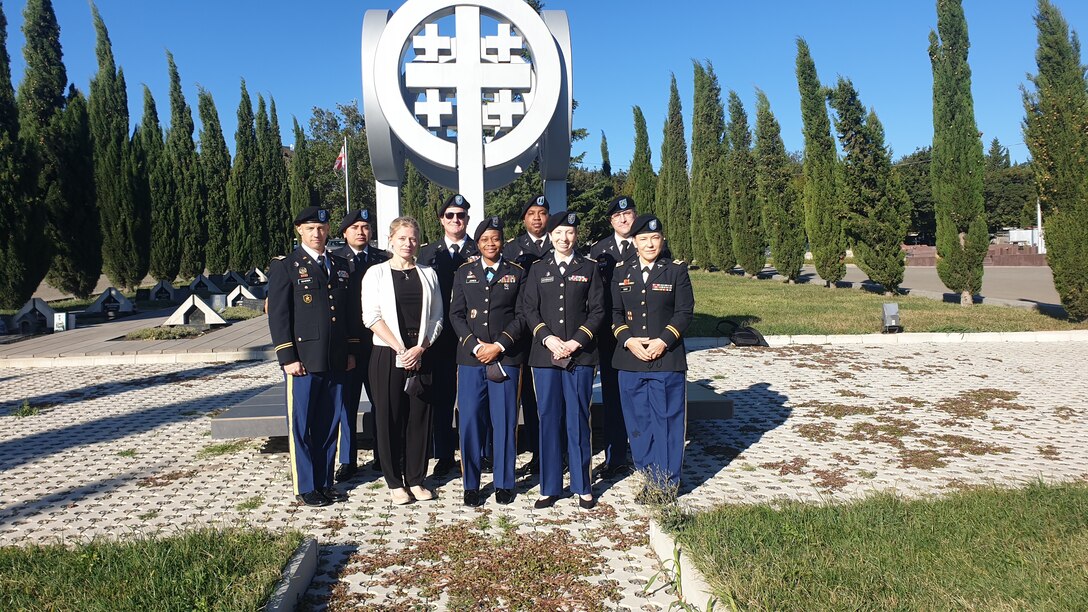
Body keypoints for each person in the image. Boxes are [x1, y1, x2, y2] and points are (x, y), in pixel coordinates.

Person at [267, 206, 359, 507]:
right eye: (310, 229)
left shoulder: (340, 263)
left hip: (334, 358)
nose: (317, 233)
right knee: (303, 426)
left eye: (321, 228)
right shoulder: (287, 266)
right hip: (303, 362)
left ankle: (324, 481)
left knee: (328, 425)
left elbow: (345, 313)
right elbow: (279, 316)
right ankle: (305, 485)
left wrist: (348, 351)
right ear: (300, 231)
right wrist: (288, 356)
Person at [521, 211, 604, 510]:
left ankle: (583, 485)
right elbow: (529, 308)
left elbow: (597, 311)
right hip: (545, 357)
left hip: (579, 355)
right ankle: (550, 486)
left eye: (569, 233)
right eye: (559, 233)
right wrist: (547, 337)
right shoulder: (537, 268)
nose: (564, 238)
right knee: (549, 420)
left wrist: (575, 341)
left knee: (578, 418)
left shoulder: (589, 268)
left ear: (576, 235)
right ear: (550, 236)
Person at [361, 216, 444, 505]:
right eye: (402, 238)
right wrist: (400, 349)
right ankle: (395, 482)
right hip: (387, 353)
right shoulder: (376, 273)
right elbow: (371, 316)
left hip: (421, 353)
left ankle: (417, 478)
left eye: (412, 238)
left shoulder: (428, 274)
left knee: (420, 417)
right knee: (389, 417)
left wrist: (420, 347)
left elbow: (437, 317)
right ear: (391, 240)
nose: (408, 243)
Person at [610, 214, 694, 495]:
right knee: (638, 422)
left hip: (666, 358)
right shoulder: (621, 271)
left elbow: (684, 312)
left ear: (662, 240)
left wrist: (663, 341)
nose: (649, 244)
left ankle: (666, 483)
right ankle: (648, 474)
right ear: (634, 242)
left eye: (654, 238)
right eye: (643, 239)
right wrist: (627, 340)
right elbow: (615, 313)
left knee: (667, 421)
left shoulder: (675, 271)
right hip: (630, 358)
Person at [451, 217, 527, 507]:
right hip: (470, 361)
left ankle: (505, 482)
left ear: (502, 241)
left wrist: (498, 345)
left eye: (495, 238)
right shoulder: (464, 272)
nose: (490, 244)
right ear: (478, 243)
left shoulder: (516, 273)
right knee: (469, 422)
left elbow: (522, 315)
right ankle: (471, 484)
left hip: (505, 358)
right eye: (485, 239)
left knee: (505, 420)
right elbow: (456, 314)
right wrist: (474, 346)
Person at [417, 194, 479, 477]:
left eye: (461, 215)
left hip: (474, 337)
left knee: (475, 399)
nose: (456, 220)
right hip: (440, 339)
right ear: (442, 219)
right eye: (451, 215)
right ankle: (443, 454)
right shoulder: (427, 254)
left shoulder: (480, 250)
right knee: (442, 398)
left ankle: (479, 452)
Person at [331, 208, 389, 482]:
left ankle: (383, 455)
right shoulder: (335, 261)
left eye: (366, 227)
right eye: (355, 228)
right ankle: (347, 459)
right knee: (347, 405)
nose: (361, 232)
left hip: (379, 344)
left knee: (381, 401)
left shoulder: (382, 260)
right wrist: (345, 347)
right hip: (350, 346)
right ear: (344, 233)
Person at [588, 195, 639, 479]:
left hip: (643, 334)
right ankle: (616, 457)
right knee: (613, 398)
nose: (623, 220)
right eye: (618, 217)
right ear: (611, 221)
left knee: (640, 398)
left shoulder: (649, 243)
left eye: (628, 214)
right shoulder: (598, 250)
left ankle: (644, 454)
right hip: (610, 336)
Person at [502, 195, 552, 475]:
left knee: (551, 397)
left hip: (555, 331)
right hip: (523, 334)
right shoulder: (512, 250)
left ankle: (556, 449)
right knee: (527, 398)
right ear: (524, 219)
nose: (537, 218)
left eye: (542, 213)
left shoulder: (561, 240)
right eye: (531, 213)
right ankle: (535, 451)